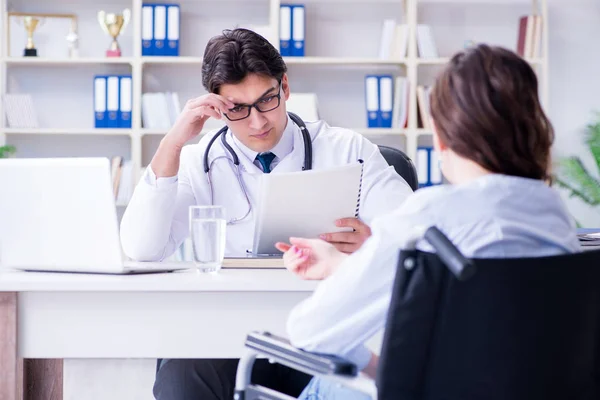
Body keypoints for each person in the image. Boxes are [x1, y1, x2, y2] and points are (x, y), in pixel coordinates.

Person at [119, 28, 413, 400]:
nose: (257, 123)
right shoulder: (197, 162)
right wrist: (172, 143)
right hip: (221, 333)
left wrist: (373, 242)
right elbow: (143, 249)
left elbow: (412, 236)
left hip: (318, 330)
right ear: (215, 105)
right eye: (237, 109)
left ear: (285, 87)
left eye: (267, 101)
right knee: (181, 382)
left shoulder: (347, 150)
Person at [275, 44, 582, 400]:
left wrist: (381, 368)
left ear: (439, 135)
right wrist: (345, 265)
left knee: (323, 381)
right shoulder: (553, 215)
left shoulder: (429, 218)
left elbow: (313, 331)